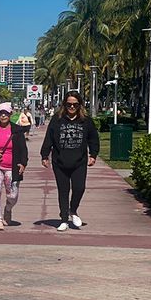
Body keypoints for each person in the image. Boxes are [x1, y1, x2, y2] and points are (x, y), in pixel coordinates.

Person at [41, 91, 100, 232]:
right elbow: (49, 138)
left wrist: (93, 155)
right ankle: (64, 219)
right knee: (63, 190)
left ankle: (73, 211)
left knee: (79, 188)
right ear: (64, 105)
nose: (72, 107)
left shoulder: (86, 121)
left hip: (79, 161)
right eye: (69, 104)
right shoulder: (57, 119)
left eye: (75, 104)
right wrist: (44, 155)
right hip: (59, 161)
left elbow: (93, 139)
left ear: (80, 105)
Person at [0, 102, 28, 230]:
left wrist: (23, 163)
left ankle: (8, 209)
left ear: (10, 114)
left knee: (12, 195)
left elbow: (23, 149)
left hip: (12, 168)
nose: (3, 116)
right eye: (1, 113)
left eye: (6, 113)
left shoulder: (17, 130)